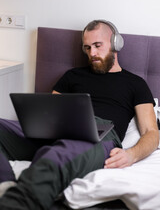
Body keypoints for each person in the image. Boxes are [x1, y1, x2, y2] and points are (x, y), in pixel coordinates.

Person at [0, 20, 159, 210]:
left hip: (99, 133)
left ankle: (17, 203)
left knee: (59, 155)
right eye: (87, 47)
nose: (92, 53)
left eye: (98, 46)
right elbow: (49, 110)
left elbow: (152, 132)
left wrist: (131, 155)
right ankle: (5, 182)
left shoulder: (135, 83)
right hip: (56, 127)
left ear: (116, 43)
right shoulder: (72, 76)